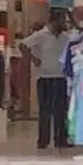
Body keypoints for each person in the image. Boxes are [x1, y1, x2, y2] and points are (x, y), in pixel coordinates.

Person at [19, 9, 72, 149]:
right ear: (54, 20)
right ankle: (43, 140)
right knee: (45, 110)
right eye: (62, 19)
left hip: (61, 77)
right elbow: (23, 45)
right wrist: (33, 59)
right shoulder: (41, 35)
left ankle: (61, 139)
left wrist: (71, 16)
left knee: (61, 110)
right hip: (45, 77)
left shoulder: (65, 37)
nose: (64, 23)